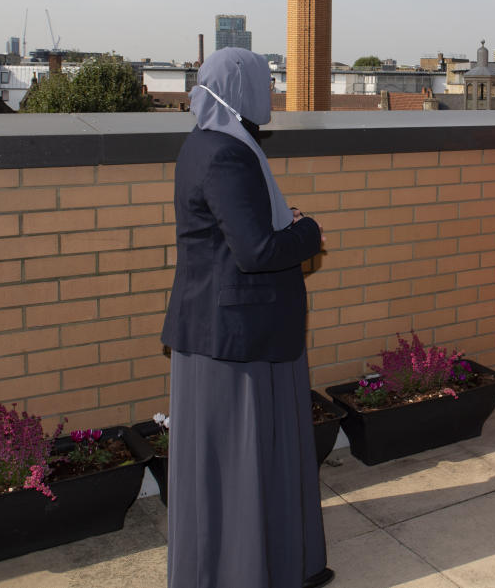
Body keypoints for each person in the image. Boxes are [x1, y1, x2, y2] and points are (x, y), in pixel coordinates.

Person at [161, 48, 334, 588]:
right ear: (240, 89)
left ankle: (277, 564)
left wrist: (286, 224)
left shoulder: (207, 142)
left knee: (250, 460)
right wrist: (308, 232)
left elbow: (239, 231)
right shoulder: (228, 154)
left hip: (228, 326)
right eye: (265, 83)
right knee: (240, 465)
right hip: (234, 337)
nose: (271, 94)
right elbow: (256, 252)